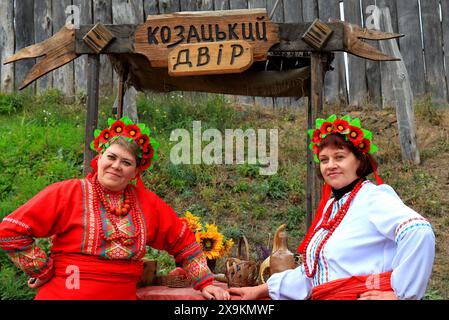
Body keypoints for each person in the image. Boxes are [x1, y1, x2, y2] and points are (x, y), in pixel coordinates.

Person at [0, 116, 230, 300]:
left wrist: (205, 282)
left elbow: (184, 243)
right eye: (111, 157)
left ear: (136, 172)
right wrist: (43, 270)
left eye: (126, 162)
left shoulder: (147, 203)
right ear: (99, 158)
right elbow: (10, 231)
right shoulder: (68, 192)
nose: (116, 166)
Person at [229, 114, 435, 300]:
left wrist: (401, 295)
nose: (330, 165)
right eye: (324, 160)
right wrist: (259, 290)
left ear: (359, 160)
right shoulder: (334, 206)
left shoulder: (373, 198)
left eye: (340, 157)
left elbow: (418, 231)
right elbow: (313, 274)